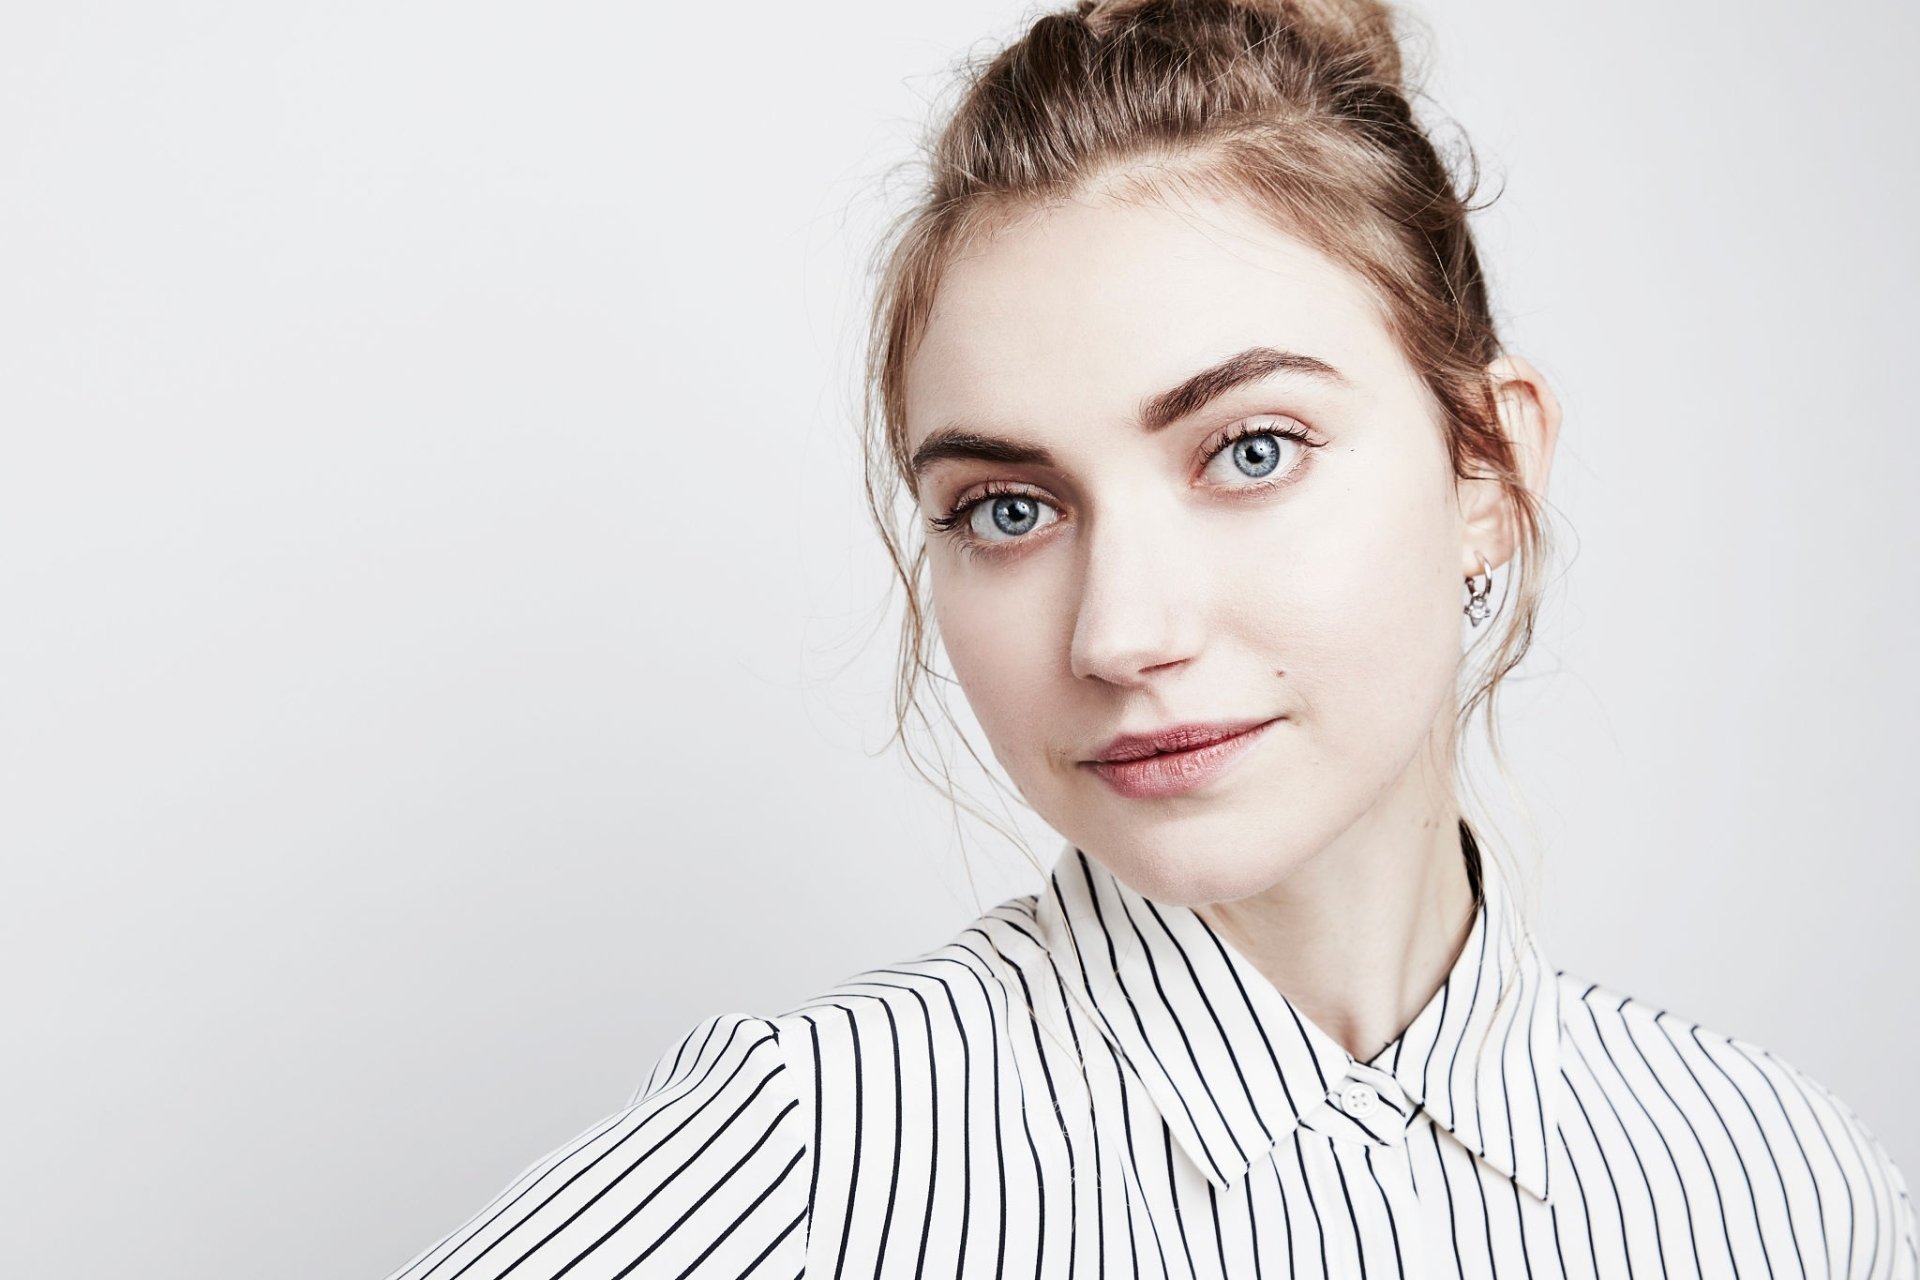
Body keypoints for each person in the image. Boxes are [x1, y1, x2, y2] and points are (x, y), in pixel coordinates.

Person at [379, 0, 1916, 1275]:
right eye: (1006, 510)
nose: (1119, 632)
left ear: (1489, 471)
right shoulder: (815, 1153)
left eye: (1251, 450)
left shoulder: (1773, 1183)